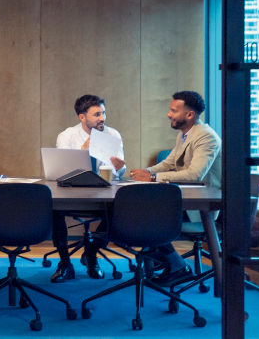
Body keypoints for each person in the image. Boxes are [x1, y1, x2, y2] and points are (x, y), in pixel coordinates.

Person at [130, 90, 222, 286]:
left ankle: (176, 265)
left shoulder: (206, 137)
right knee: (143, 211)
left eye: (173, 110)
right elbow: (169, 163)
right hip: (185, 198)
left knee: (149, 218)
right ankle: (157, 255)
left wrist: (152, 178)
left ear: (189, 115)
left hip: (202, 205)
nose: (168, 114)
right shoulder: (185, 135)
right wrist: (144, 172)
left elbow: (194, 174)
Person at [51, 94, 126, 282]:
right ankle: (65, 263)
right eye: (97, 114)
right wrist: (87, 148)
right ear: (82, 117)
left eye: (103, 113)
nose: (102, 118)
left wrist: (120, 167)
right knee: (53, 210)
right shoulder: (67, 136)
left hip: (103, 193)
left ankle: (91, 254)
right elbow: (63, 170)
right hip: (71, 193)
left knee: (119, 211)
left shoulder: (112, 135)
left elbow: (119, 173)